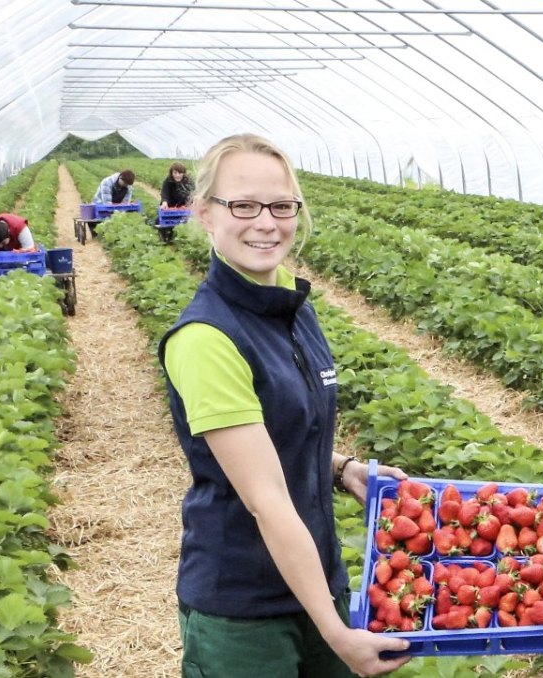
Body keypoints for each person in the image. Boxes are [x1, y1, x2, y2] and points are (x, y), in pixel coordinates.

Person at [157, 133, 411, 678]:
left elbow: (288, 428)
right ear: (204, 213)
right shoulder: (206, 338)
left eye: (281, 205)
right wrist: (335, 632)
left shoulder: (294, 309)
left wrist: (343, 467)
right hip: (245, 612)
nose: (266, 222)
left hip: (318, 579)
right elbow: (266, 499)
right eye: (243, 205)